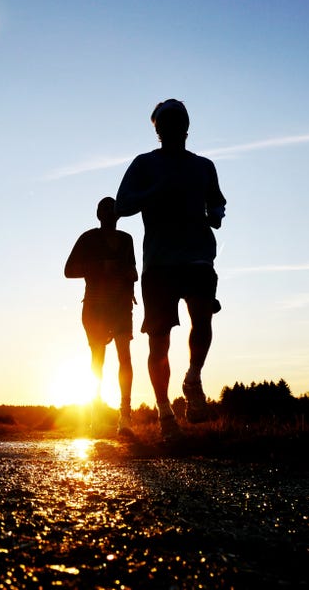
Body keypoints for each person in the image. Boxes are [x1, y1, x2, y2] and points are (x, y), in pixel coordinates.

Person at [115, 99, 226, 438]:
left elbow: (217, 200)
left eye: (178, 122)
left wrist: (216, 215)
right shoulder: (144, 164)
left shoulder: (204, 166)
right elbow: (121, 204)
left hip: (197, 255)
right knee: (158, 343)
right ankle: (165, 414)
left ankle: (193, 377)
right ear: (157, 129)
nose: (172, 128)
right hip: (159, 262)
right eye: (165, 123)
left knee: (203, 317)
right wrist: (154, 190)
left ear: (186, 127)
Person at [65, 196, 138, 436]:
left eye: (113, 208)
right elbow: (68, 270)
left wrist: (125, 274)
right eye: (103, 208)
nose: (108, 212)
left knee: (124, 357)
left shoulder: (127, 240)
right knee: (98, 360)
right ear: (97, 214)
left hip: (121, 306)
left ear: (119, 213)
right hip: (95, 307)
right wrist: (100, 267)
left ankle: (124, 416)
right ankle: (95, 414)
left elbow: (134, 272)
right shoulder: (88, 238)